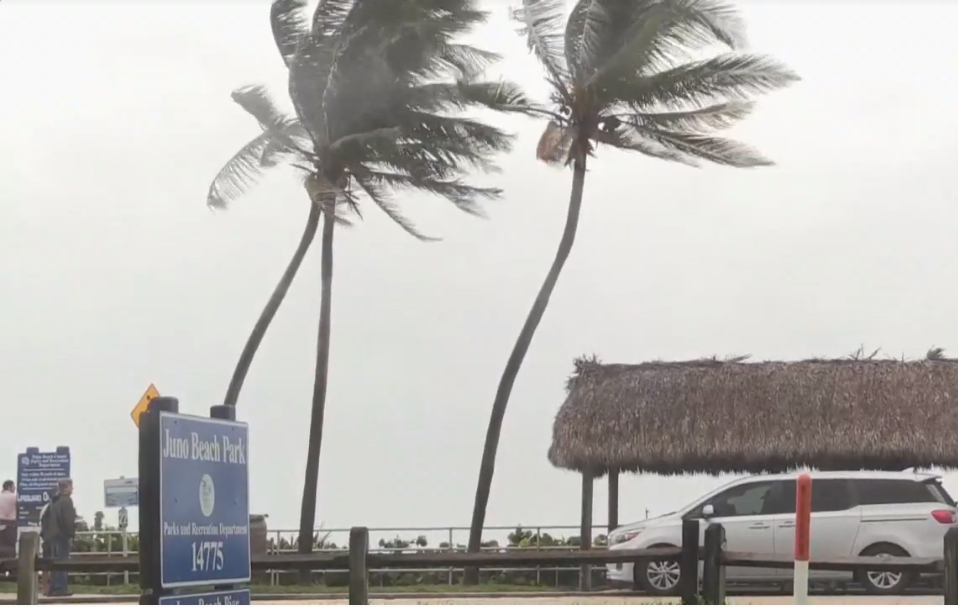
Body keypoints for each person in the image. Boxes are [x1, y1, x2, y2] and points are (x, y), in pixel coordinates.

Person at [44, 479, 76, 597]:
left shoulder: (54, 501)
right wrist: (70, 536)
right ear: (66, 488)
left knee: (55, 563)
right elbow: (68, 521)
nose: (72, 489)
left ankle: (53, 588)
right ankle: (61, 588)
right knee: (62, 562)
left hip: (53, 536)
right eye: (71, 486)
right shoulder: (67, 501)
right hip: (62, 535)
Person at [0, 481, 16, 560]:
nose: (15, 488)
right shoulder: (14, 497)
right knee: (10, 549)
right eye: (13, 487)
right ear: (9, 487)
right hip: (9, 526)